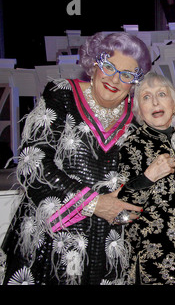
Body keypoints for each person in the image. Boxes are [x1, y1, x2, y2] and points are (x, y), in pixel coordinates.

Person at [1, 32, 151, 285]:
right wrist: (93, 204)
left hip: (107, 250)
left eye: (127, 75)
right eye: (109, 67)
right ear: (94, 64)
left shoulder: (138, 121)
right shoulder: (61, 95)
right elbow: (33, 162)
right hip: (49, 245)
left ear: (135, 83)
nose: (115, 79)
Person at [116, 72, 175, 285]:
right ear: (138, 110)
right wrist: (148, 177)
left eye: (162, 94)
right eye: (146, 97)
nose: (155, 102)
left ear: (174, 104)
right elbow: (122, 209)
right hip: (156, 264)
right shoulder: (131, 146)